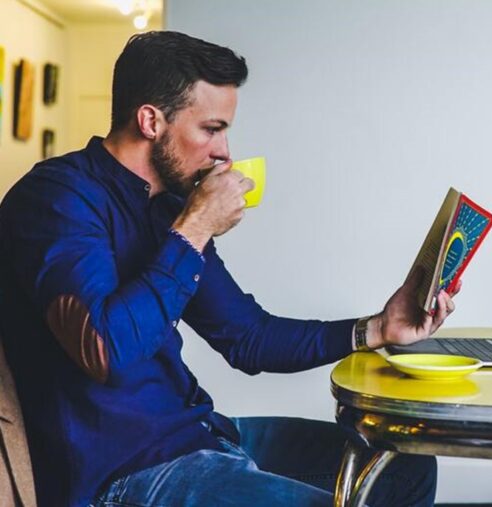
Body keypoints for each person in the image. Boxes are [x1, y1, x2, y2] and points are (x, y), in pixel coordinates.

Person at [0, 31, 458, 507]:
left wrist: (379, 327)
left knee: (402, 467)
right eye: (211, 129)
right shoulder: (57, 199)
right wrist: (195, 228)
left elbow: (249, 339)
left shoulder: (168, 209)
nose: (224, 153)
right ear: (151, 120)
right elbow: (105, 350)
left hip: (200, 435)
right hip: (123, 472)